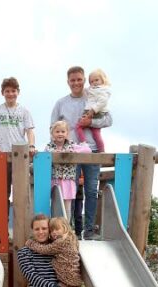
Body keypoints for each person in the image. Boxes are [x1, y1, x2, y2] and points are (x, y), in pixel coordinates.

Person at [51, 66, 113, 240]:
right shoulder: (61, 103)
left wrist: (90, 122)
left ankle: (89, 230)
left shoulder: (93, 96)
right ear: (68, 82)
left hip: (91, 150)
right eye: (73, 80)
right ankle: (69, 230)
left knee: (91, 191)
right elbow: (52, 126)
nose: (76, 83)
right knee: (70, 192)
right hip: (69, 153)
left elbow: (109, 119)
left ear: (84, 80)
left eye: (79, 79)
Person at [0, 76, 36, 201]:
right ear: (2, 92)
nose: (10, 94)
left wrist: (31, 146)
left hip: (19, 155)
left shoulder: (24, 111)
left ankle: (21, 221)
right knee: (3, 193)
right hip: (1, 155)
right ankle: (4, 220)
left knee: (20, 192)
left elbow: (30, 131)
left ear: (18, 92)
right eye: (7, 91)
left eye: (13, 91)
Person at [45, 121, 91, 222]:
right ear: (52, 134)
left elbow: (88, 150)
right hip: (55, 180)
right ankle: (54, 227)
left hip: (68, 181)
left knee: (67, 207)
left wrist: (73, 152)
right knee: (55, 204)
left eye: (62, 131)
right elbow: (44, 157)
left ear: (67, 133)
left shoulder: (71, 146)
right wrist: (53, 154)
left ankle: (66, 227)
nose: (60, 134)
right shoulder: (49, 147)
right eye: (57, 131)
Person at [75, 69, 111, 153]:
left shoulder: (102, 90)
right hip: (90, 111)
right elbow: (87, 90)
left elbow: (103, 101)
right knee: (95, 133)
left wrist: (93, 111)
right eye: (91, 81)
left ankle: (84, 144)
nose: (94, 82)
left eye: (96, 80)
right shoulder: (93, 89)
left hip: (95, 112)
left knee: (79, 126)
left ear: (103, 80)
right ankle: (101, 151)